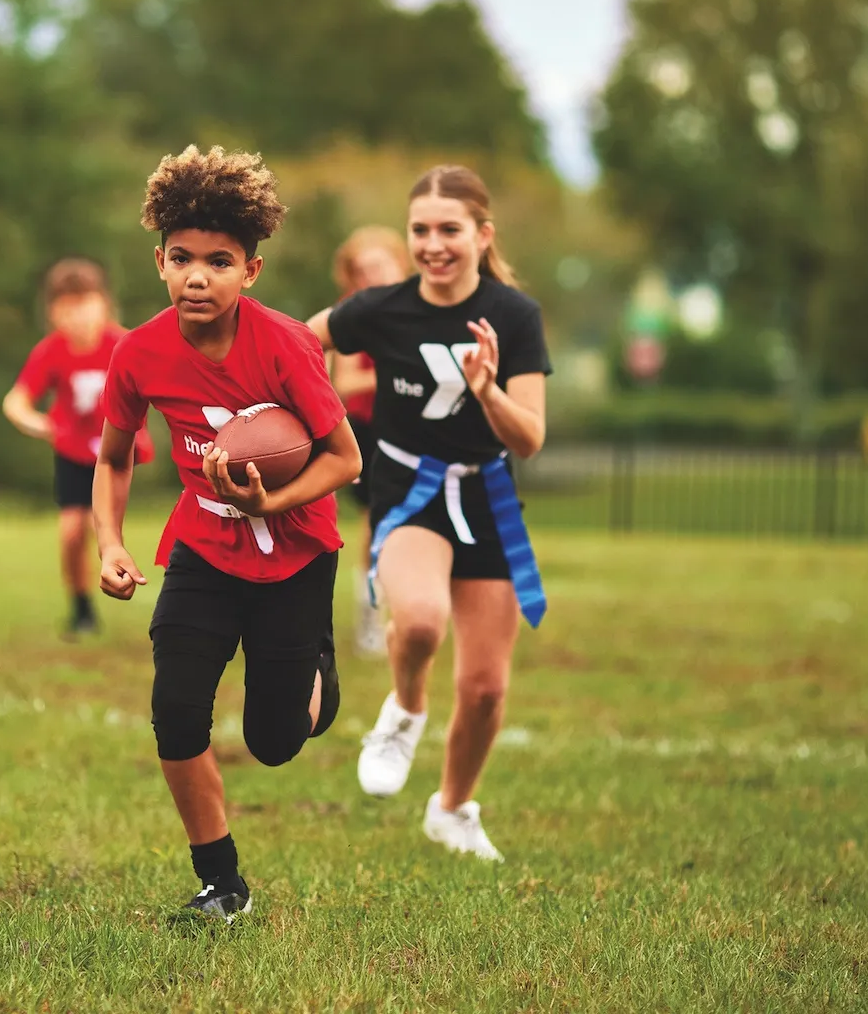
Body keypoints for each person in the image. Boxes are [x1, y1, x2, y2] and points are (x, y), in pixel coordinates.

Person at [94, 145, 363, 921]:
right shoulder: (138, 351)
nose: (197, 276)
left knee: (276, 740)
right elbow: (112, 459)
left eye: (218, 260)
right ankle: (222, 882)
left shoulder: (285, 345)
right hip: (202, 552)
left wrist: (268, 504)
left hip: (296, 554)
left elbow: (344, 459)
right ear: (159, 262)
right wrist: (111, 544)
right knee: (176, 710)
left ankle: (317, 667)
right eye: (182, 259)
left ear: (252, 270)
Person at [309, 164, 551, 861]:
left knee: (484, 689)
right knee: (417, 622)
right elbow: (302, 339)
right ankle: (405, 707)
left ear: (482, 234)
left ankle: (451, 809)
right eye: (421, 230)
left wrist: (488, 392)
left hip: (487, 499)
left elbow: (529, 437)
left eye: (449, 229)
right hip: (408, 491)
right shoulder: (382, 307)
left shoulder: (514, 315)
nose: (434, 244)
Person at [3, 258, 154, 636]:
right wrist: (35, 422)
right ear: (53, 313)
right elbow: (16, 401)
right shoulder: (52, 352)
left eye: (86, 304)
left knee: (96, 523)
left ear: (104, 304)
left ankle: (119, 577)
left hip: (115, 453)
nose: (79, 316)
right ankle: (81, 607)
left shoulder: (124, 343)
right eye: (67, 308)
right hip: (71, 453)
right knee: (71, 532)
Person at [329, 227, 414, 658]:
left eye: (380, 265)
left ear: (402, 263)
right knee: (378, 523)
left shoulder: (427, 308)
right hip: (372, 430)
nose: (373, 277)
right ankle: (370, 612)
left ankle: (414, 608)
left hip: (420, 429)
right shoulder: (352, 316)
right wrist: (405, 371)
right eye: (362, 271)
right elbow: (344, 382)